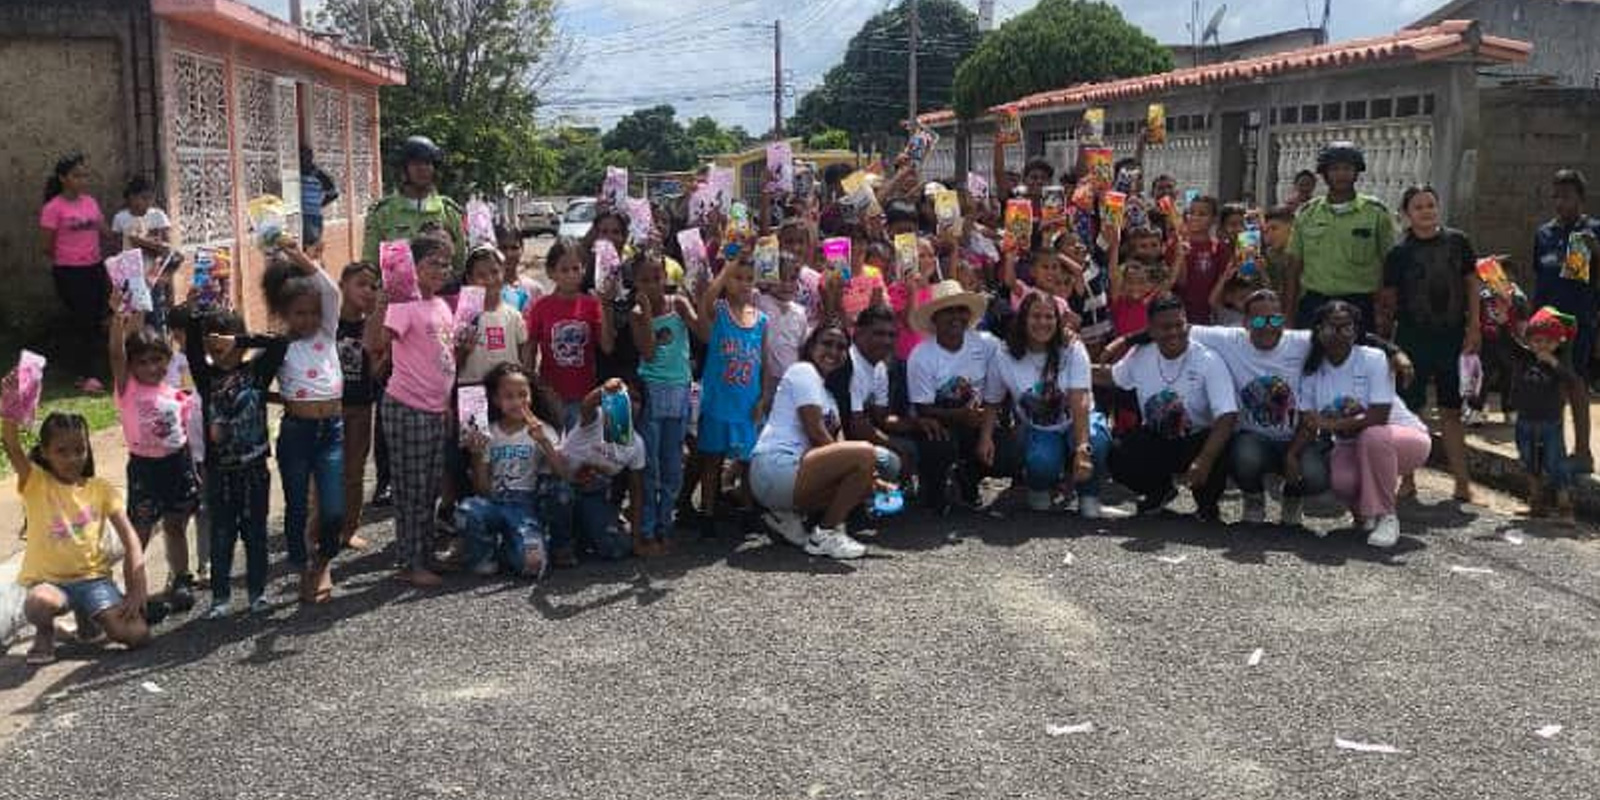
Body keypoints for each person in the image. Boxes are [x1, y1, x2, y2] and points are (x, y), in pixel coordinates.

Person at [2, 406, 152, 665]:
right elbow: (12, 445)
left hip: (94, 580)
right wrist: (11, 408)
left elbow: (130, 539)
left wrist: (137, 589)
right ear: (46, 453)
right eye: (62, 451)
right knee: (38, 602)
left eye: (79, 450)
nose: (73, 459)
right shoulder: (35, 482)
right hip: (50, 584)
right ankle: (45, 631)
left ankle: (88, 619)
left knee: (137, 635)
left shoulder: (101, 489)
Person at [1287, 301, 1430, 548]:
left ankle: (1387, 516)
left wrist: (1329, 425)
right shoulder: (1311, 371)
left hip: (1402, 439)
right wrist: (1292, 454)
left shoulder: (1373, 358)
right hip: (1351, 444)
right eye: (1332, 328)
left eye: (1347, 328)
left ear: (1356, 331)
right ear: (1318, 330)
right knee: (1342, 481)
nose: (1340, 334)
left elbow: (1379, 417)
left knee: (1372, 436)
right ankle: (1365, 515)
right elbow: (1310, 423)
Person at [1183, 290, 1329, 525]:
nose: (1268, 327)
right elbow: (1177, 327)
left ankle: (1292, 497)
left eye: (1275, 319)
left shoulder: (1302, 342)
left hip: (1296, 439)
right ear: (1246, 322)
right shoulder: (1229, 339)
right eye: (1259, 320)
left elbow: (1348, 336)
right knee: (1243, 455)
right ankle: (1253, 497)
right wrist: (1125, 341)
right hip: (1253, 439)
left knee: (1317, 476)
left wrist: (1393, 352)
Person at [365, 230, 458, 587]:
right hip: (407, 406)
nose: (441, 269)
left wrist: (446, 404)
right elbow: (375, 343)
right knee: (410, 489)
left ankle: (425, 553)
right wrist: (383, 302)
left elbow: (443, 359)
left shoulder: (439, 305)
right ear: (412, 268)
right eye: (432, 262)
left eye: (446, 264)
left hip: (434, 408)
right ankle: (409, 561)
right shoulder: (404, 304)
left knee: (430, 488)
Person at [1378, 185, 1479, 502]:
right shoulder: (1399, 253)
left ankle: (1462, 484)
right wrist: (1389, 347)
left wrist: (1474, 326)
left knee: (1451, 410)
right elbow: (1389, 301)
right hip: (1412, 338)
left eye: (1431, 205)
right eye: (1419, 207)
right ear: (1406, 214)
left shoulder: (1458, 243)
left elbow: (1471, 283)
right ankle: (1407, 480)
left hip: (1452, 337)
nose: (1426, 211)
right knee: (1410, 409)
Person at [258, 244, 346, 603]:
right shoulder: (279, 348)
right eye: (299, 314)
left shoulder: (327, 333)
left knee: (333, 509)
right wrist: (289, 400)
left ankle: (323, 559)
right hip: (297, 433)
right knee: (296, 506)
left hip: (331, 433)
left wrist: (298, 256)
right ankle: (302, 564)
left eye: (313, 312)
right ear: (283, 314)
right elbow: (251, 386)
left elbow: (331, 290)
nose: (308, 319)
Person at [185, 305, 285, 618]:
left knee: (255, 534)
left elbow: (279, 343)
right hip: (220, 471)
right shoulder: (206, 376)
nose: (219, 351)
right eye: (211, 345)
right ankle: (220, 597)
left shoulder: (256, 371)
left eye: (223, 343)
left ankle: (257, 593)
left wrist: (240, 340)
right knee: (222, 534)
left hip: (254, 469)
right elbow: (189, 345)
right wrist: (195, 316)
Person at [750, 321, 880, 559]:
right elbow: (817, 432)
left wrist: (870, 479)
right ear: (811, 347)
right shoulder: (803, 371)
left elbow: (838, 446)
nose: (833, 351)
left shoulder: (829, 396)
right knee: (866, 454)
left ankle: (786, 517)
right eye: (827, 343)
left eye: (841, 347)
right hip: (775, 467)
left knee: (863, 477)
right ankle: (825, 535)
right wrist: (865, 465)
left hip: (790, 477)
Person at [1102, 293, 1238, 519]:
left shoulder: (1208, 359)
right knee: (1118, 453)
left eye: (1179, 325)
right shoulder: (1141, 354)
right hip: (1158, 438)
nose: (1174, 332)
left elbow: (1227, 416)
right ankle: (1160, 491)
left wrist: (1204, 460)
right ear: (1152, 330)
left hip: (1196, 441)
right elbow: (1111, 377)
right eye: (1165, 327)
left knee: (1221, 447)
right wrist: (1067, 367)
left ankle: (1207, 503)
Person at [984, 292, 1114, 517]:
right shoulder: (1004, 353)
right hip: (1039, 428)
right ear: (1023, 318)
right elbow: (993, 399)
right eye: (1035, 316)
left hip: (1077, 419)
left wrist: (1082, 448)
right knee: (1042, 464)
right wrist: (985, 437)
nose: (1042, 322)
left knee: (1096, 441)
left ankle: (1089, 495)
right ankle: (1039, 487)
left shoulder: (1072, 348)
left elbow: (1080, 399)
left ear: (1058, 320)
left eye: (1049, 317)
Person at [108, 306, 198, 612]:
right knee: (141, 531)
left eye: (157, 360)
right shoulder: (127, 390)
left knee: (175, 525)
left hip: (177, 465)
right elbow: (116, 356)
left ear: (168, 360)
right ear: (132, 367)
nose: (150, 368)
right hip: (145, 469)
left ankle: (182, 578)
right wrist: (118, 322)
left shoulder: (175, 396)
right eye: (142, 362)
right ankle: (133, 592)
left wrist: (193, 469)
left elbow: (186, 435)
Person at [455, 362, 564, 576]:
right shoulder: (488, 433)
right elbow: (482, 490)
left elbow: (563, 473)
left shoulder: (542, 429)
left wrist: (544, 442)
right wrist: (476, 455)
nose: (517, 402)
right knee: (467, 510)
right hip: (494, 502)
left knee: (533, 565)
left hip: (525, 506)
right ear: (496, 400)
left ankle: (512, 545)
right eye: (508, 396)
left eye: (522, 395)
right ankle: (484, 554)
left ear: (532, 395)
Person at [690, 255, 771, 536]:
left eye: (749, 278)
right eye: (738, 278)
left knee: (747, 461)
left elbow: (764, 364)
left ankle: (748, 511)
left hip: (747, 404)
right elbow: (706, 301)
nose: (744, 284)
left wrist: (763, 398)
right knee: (712, 460)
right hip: (718, 402)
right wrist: (725, 270)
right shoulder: (720, 311)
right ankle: (708, 513)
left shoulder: (761, 320)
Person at [907, 280, 1001, 512]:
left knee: (1011, 447)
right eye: (948, 310)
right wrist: (961, 415)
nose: (956, 316)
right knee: (938, 444)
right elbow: (922, 409)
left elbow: (1009, 370)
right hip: (939, 423)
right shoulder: (921, 355)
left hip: (979, 419)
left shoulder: (987, 343)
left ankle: (969, 478)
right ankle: (934, 489)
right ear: (935, 318)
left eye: (961, 310)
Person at [1530, 169, 1598, 469]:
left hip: (1579, 319)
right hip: (1547, 322)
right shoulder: (1545, 234)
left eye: (1567, 197)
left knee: (1575, 383)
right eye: (1556, 196)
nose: (1561, 203)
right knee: (1549, 387)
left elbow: (1589, 278)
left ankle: (1583, 452)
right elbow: (1539, 278)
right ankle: (1553, 451)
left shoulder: (1591, 231)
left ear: (1581, 199)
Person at [1285, 142, 1394, 330]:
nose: (1341, 174)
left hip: (1360, 306)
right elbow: (1294, 268)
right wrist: (1288, 315)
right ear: (1324, 173)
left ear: (1356, 171)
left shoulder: (1376, 213)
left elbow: (1390, 266)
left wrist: (1385, 313)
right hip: (1315, 305)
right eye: (1334, 169)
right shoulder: (1307, 214)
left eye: (1347, 168)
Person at [631, 252, 697, 553]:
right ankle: (646, 527)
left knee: (672, 462)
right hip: (651, 389)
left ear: (666, 277)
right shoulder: (635, 312)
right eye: (644, 280)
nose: (652, 285)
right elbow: (646, 352)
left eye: (656, 278)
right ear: (635, 283)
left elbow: (702, 331)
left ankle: (665, 523)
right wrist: (645, 315)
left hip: (679, 389)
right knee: (650, 465)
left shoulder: (679, 304)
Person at [550, 379, 644, 564]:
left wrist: (636, 539)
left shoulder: (637, 444)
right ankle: (560, 546)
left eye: (636, 399)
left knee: (618, 548)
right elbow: (587, 405)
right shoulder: (596, 418)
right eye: (625, 397)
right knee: (562, 496)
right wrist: (606, 390)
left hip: (593, 496)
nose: (630, 403)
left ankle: (584, 536)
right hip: (562, 486)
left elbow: (637, 492)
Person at [40, 152, 112, 389]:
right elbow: (46, 246)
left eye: (84, 175)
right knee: (84, 320)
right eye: (76, 175)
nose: (82, 180)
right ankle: (85, 375)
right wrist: (69, 258)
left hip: (95, 268)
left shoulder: (90, 202)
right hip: (69, 272)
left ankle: (95, 369)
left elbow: (104, 231)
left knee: (99, 318)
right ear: (63, 178)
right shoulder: (53, 208)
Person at [523, 239, 611, 427]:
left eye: (576, 268)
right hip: (551, 393)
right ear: (551, 272)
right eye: (564, 270)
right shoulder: (541, 306)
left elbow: (607, 346)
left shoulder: (592, 304)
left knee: (579, 450)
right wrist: (530, 385)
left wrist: (605, 307)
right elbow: (530, 349)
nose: (571, 275)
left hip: (585, 394)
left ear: (584, 270)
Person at [1510, 308, 1583, 518]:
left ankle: (1564, 506)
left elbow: (1572, 381)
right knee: (1528, 460)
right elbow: (1505, 345)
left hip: (1551, 422)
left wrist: (1554, 363)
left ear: (1557, 343)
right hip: (1525, 420)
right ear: (1529, 341)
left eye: (1548, 342)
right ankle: (1536, 503)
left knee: (1555, 462)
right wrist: (1504, 319)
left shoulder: (1560, 361)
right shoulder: (1524, 358)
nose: (1542, 346)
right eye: (1537, 341)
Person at [362, 135, 465, 269]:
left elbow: (460, 265)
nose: (422, 168)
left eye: (427, 163)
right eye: (415, 163)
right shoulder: (382, 213)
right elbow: (370, 266)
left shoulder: (449, 212)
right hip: (395, 290)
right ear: (404, 168)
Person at [335, 261, 380, 551]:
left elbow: (377, 370)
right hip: (330, 408)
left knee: (354, 471)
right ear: (342, 286)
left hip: (361, 407)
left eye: (372, 286)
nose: (367, 290)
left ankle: (349, 529)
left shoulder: (372, 325)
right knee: (326, 472)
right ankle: (320, 527)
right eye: (360, 284)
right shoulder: (327, 322)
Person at [111, 176, 175, 331]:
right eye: (144, 198)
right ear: (131, 197)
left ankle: (159, 349)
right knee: (130, 317)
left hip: (152, 275)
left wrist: (138, 241)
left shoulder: (157, 216)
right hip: (129, 276)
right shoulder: (121, 218)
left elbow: (165, 247)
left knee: (155, 317)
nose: (148, 203)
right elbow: (117, 249)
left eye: (150, 199)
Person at [1174, 195, 1230, 325]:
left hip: (1208, 317)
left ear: (1214, 219)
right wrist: (1180, 257)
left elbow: (1221, 287)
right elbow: (1179, 282)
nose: (1195, 217)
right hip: (1180, 316)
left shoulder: (1220, 248)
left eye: (1202, 214)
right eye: (1191, 213)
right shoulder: (1176, 244)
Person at [299, 146, 339, 249]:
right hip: (297, 215)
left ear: (311, 158)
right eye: (301, 158)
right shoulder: (295, 173)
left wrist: (319, 205)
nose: (304, 160)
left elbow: (333, 194)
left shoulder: (320, 175)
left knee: (311, 247)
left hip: (312, 216)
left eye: (306, 157)